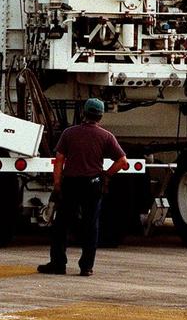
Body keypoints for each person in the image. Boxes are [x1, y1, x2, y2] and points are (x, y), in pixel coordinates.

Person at [38, 98, 127, 277]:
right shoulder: (106, 136)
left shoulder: (69, 133)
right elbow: (122, 161)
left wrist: (57, 184)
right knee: (90, 226)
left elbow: (59, 161)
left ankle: (58, 263)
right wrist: (106, 175)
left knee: (61, 225)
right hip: (93, 184)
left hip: (71, 184)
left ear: (83, 113)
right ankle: (86, 266)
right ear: (100, 116)